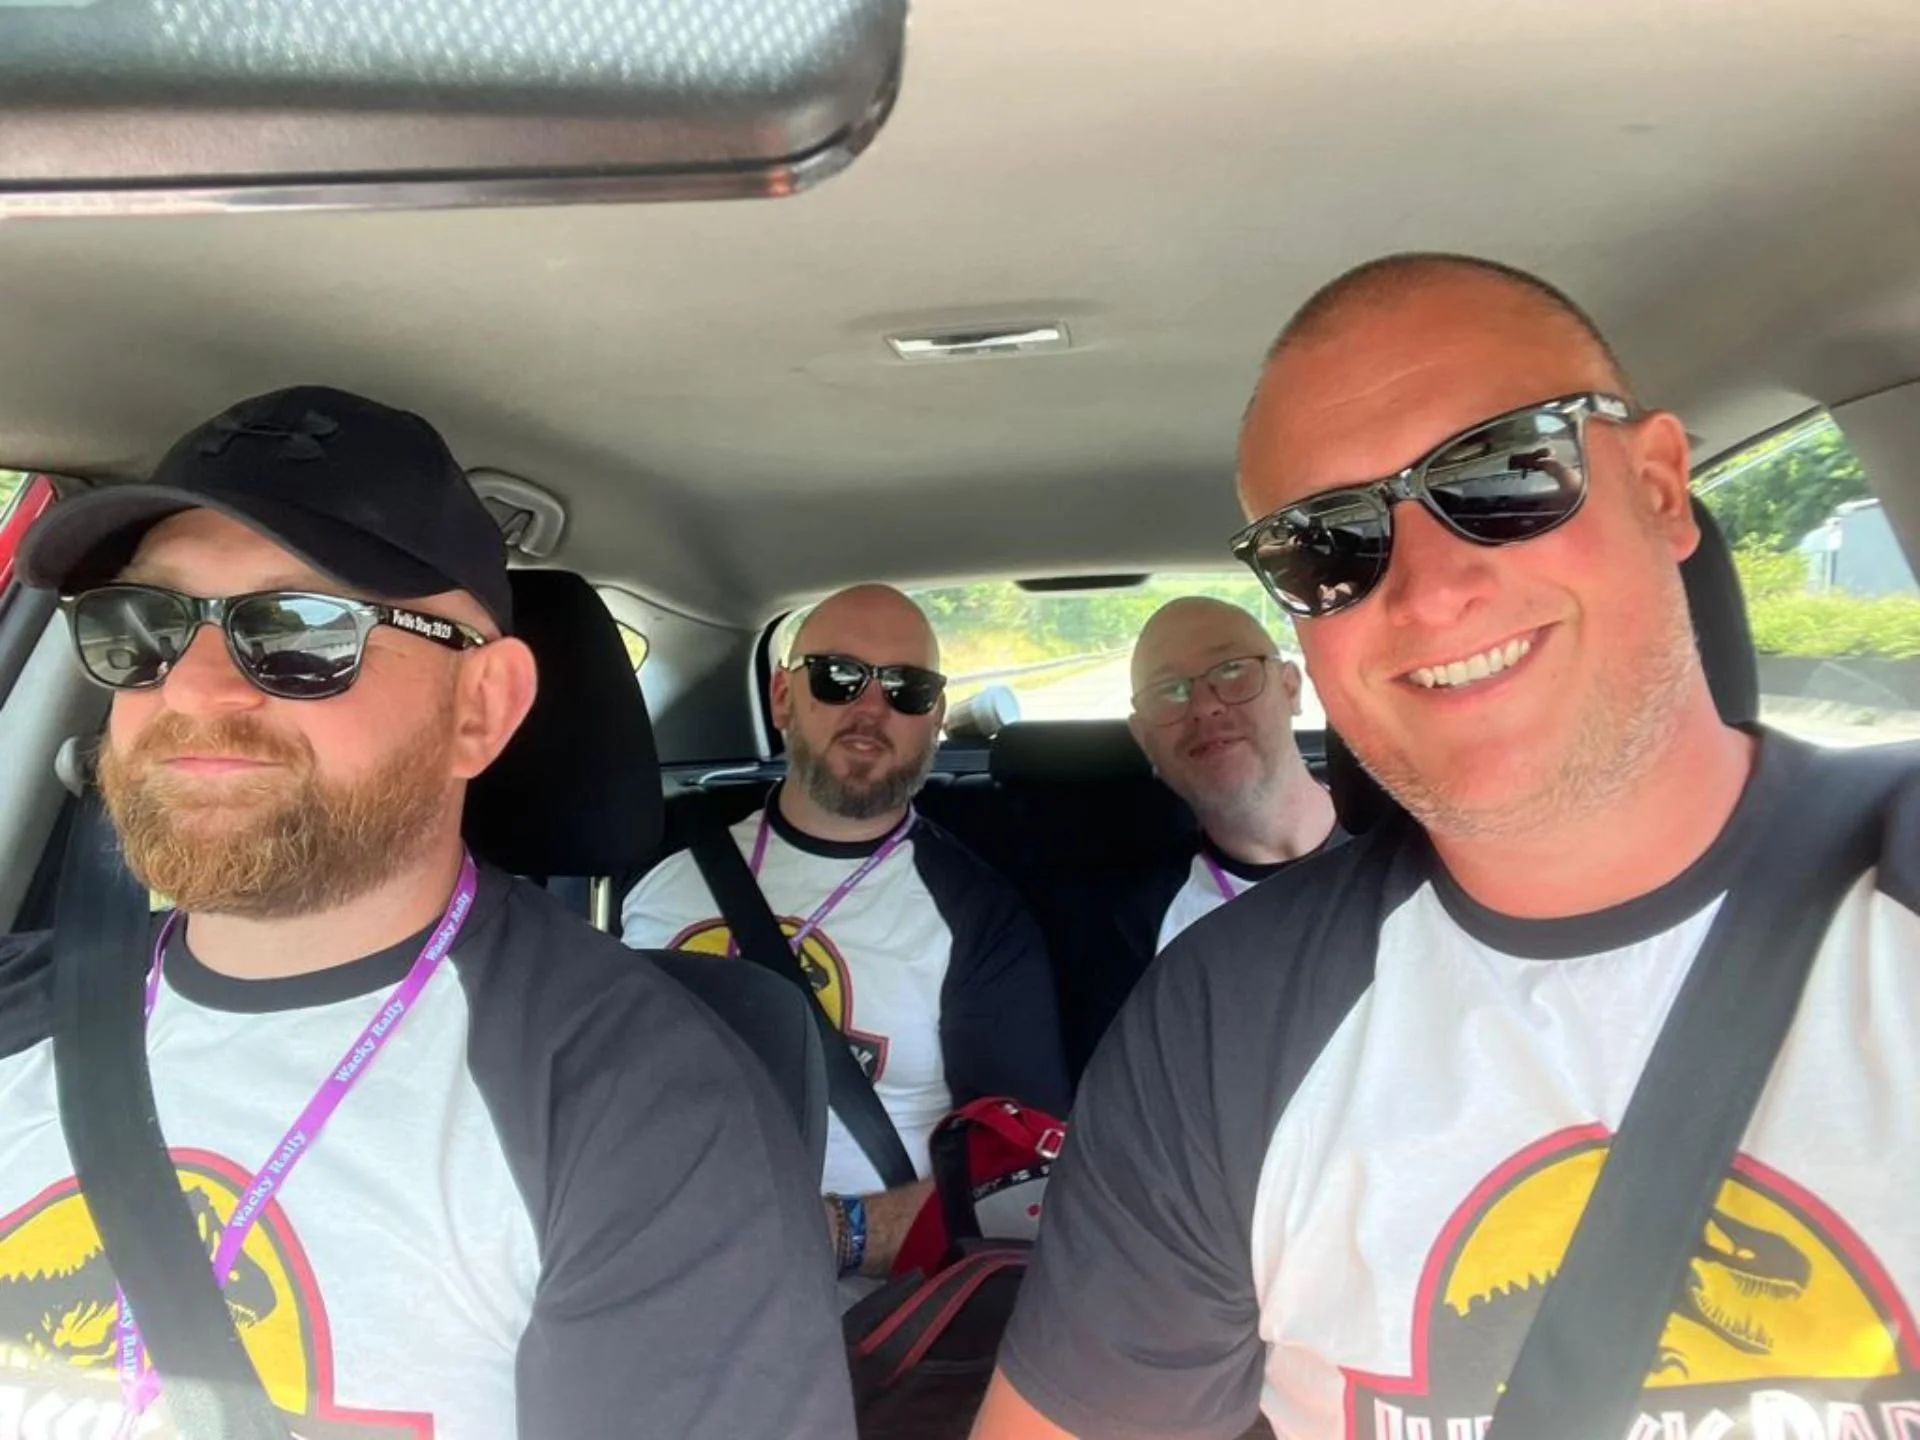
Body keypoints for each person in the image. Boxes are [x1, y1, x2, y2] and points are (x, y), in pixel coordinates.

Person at [973, 254, 1920, 1439]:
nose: (1425, 590)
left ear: (1662, 488)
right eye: (1328, 544)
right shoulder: (1217, 1024)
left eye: (1508, 475)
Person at [0, 386, 854, 1438]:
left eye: (301, 630)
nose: (194, 689)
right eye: (145, 626)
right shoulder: (21, 1010)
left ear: (480, 706)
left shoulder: (636, 1109)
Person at [622, 584, 1069, 1285]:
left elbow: (1022, 1176)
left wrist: (835, 1235)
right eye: (838, 678)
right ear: (781, 698)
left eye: (907, 689)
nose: (870, 708)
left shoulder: (978, 918)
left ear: (936, 719)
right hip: (642, 1258)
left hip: (858, 1295)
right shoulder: (659, 875)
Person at [1127, 596, 1342, 952]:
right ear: (1143, 737)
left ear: (1290, 688)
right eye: (1169, 691)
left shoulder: (1418, 840)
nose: (1203, 706)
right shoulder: (1138, 929)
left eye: (1231, 670)